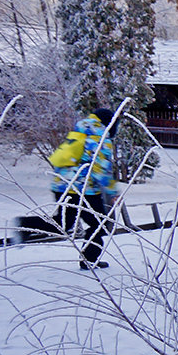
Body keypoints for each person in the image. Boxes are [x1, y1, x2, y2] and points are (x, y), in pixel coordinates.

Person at [48, 108, 120, 270]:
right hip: (83, 189)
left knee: (62, 224)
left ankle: (23, 226)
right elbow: (101, 170)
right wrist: (113, 192)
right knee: (100, 224)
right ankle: (89, 260)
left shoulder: (80, 131)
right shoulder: (100, 137)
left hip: (62, 185)